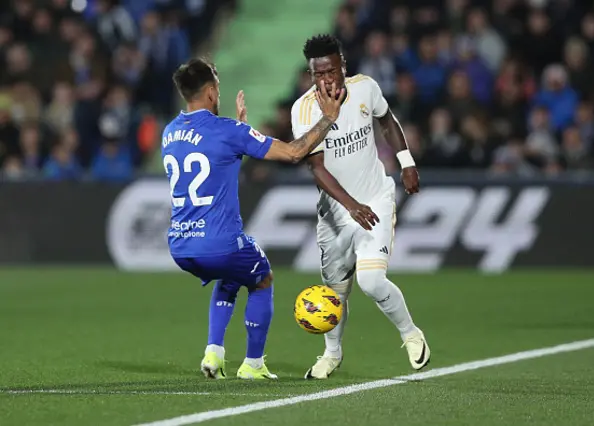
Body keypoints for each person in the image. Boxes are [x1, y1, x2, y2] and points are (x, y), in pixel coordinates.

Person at [163, 58, 344, 380]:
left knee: (231, 277)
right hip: (218, 242)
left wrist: (239, 131)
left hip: (180, 245)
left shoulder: (170, 132)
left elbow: (210, 149)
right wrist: (328, 119)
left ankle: (213, 354)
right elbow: (293, 153)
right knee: (262, 278)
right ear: (210, 91)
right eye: (217, 86)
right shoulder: (229, 131)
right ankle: (253, 364)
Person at [290, 35, 430, 379]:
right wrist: (350, 206)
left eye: (331, 70)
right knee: (334, 294)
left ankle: (411, 335)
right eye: (318, 73)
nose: (326, 79)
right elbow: (316, 168)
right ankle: (332, 354)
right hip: (336, 213)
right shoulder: (303, 110)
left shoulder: (366, 88)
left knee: (370, 280)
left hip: (375, 199)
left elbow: (387, 120)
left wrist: (406, 161)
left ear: (343, 66)